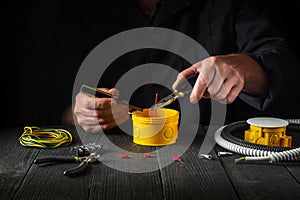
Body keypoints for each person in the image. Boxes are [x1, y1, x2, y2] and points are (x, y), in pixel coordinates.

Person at [61, 0, 300, 133]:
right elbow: (57, 106)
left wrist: (244, 67)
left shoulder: (228, 5)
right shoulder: (82, 11)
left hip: (214, 157)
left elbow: (283, 67)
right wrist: (84, 113)